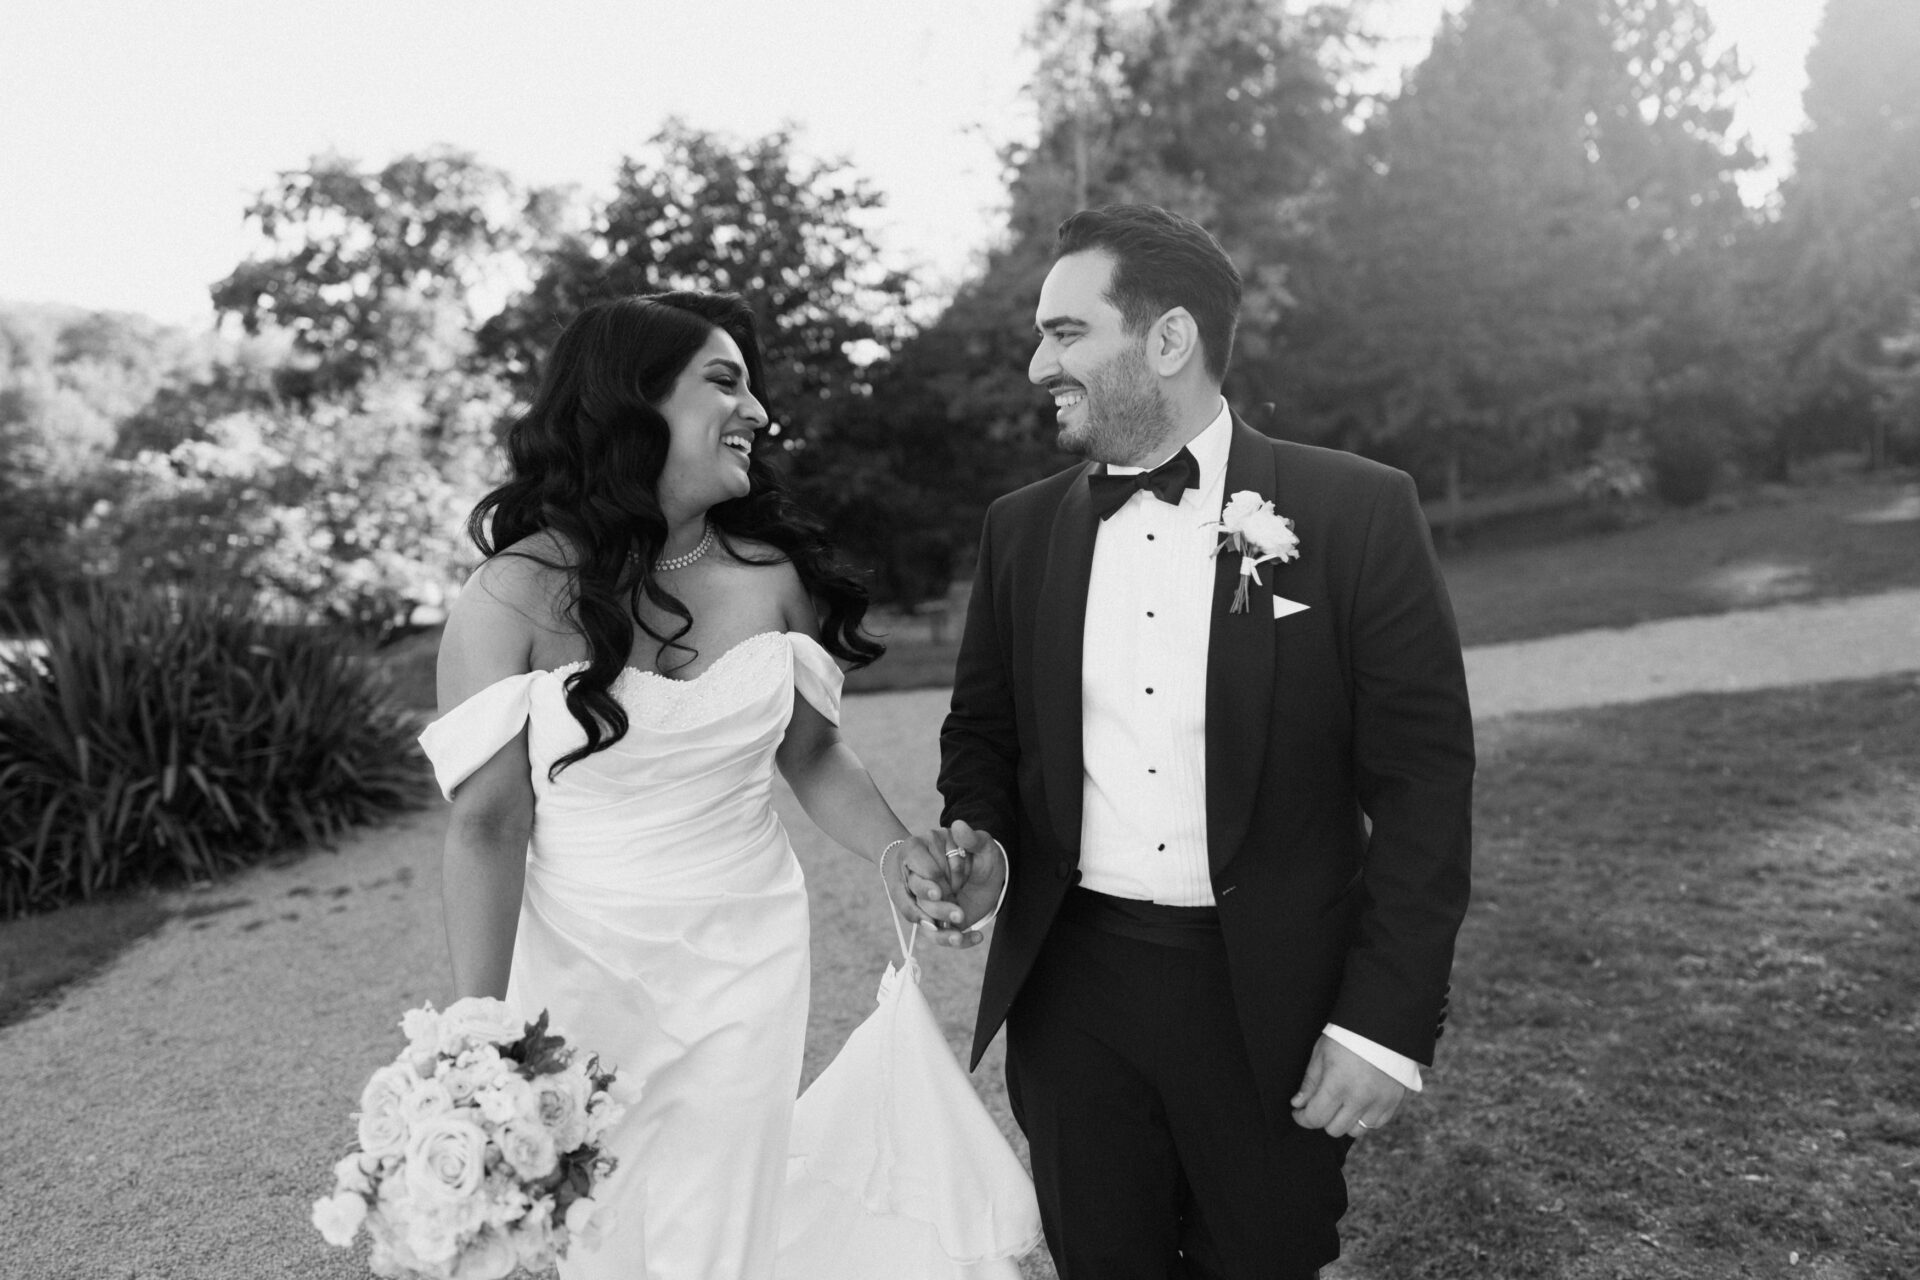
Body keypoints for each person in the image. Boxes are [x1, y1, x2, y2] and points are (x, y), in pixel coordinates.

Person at [926, 205, 1476, 1279]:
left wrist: (1382, 1025)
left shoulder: (1358, 510)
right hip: (1073, 997)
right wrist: (981, 831)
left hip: (1269, 1000)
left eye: (1067, 332)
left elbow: (1423, 783)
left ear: (1168, 340)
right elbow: (982, 729)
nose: (1040, 362)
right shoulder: (1019, 529)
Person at [418, 292, 970, 1280]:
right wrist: (475, 1037)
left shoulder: (775, 576)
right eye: (725, 381)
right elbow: (489, 826)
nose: (758, 411)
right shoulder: (512, 596)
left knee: (720, 1233)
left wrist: (896, 850)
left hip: (746, 959)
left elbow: (811, 753)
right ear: (632, 404)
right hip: (583, 968)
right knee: (601, 1234)